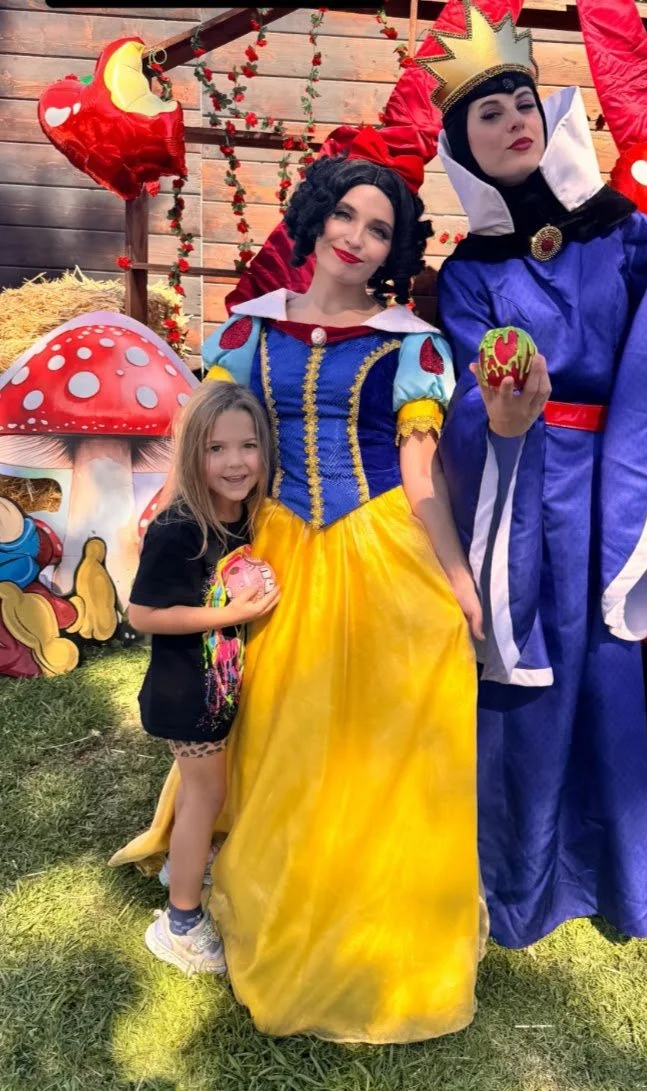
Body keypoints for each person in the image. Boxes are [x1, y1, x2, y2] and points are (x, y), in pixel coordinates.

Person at [112, 127, 486, 1042]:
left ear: (395, 251)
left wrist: (458, 575)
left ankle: (356, 886)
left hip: (377, 546)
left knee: (374, 727)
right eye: (346, 215)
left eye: (380, 227)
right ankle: (240, 871)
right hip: (270, 551)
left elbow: (422, 469)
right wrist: (165, 510)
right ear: (317, 222)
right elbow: (207, 432)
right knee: (273, 722)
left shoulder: (412, 344)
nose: (357, 236)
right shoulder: (249, 328)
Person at [419, 5, 647, 947]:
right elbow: (476, 380)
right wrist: (502, 409)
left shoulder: (621, 232)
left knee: (604, 660)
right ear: (462, 151)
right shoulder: (467, 269)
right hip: (522, 485)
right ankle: (520, 885)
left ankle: (616, 881)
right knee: (529, 680)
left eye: (522, 101)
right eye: (488, 113)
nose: (514, 118)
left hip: (614, 486)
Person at [126, 382, 280, 975]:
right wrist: (232, 615)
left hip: (213, 691)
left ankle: (180, 866)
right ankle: (180, 921)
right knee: (205, 798)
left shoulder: (242, 516)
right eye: (217, 449)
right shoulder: (180, 529)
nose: (236, 462)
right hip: (184, 695)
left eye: (248, 446)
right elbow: (143, 614)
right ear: (193, 454)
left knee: (202, 795)